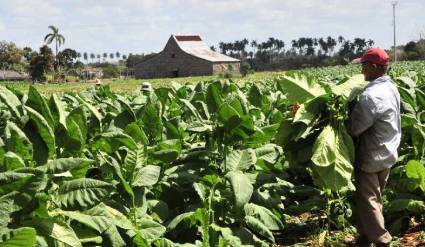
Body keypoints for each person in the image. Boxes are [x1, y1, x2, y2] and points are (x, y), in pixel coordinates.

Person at [348, 48, 401, 247]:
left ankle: (381, 240)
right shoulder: (390, 87)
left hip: (371, 155)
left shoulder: (370, 96)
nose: (361, 70)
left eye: (363, 66)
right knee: (374, 198)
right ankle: (364, 237)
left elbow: (355, 128)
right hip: (388, 150)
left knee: (368, 199)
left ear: (373, 67)